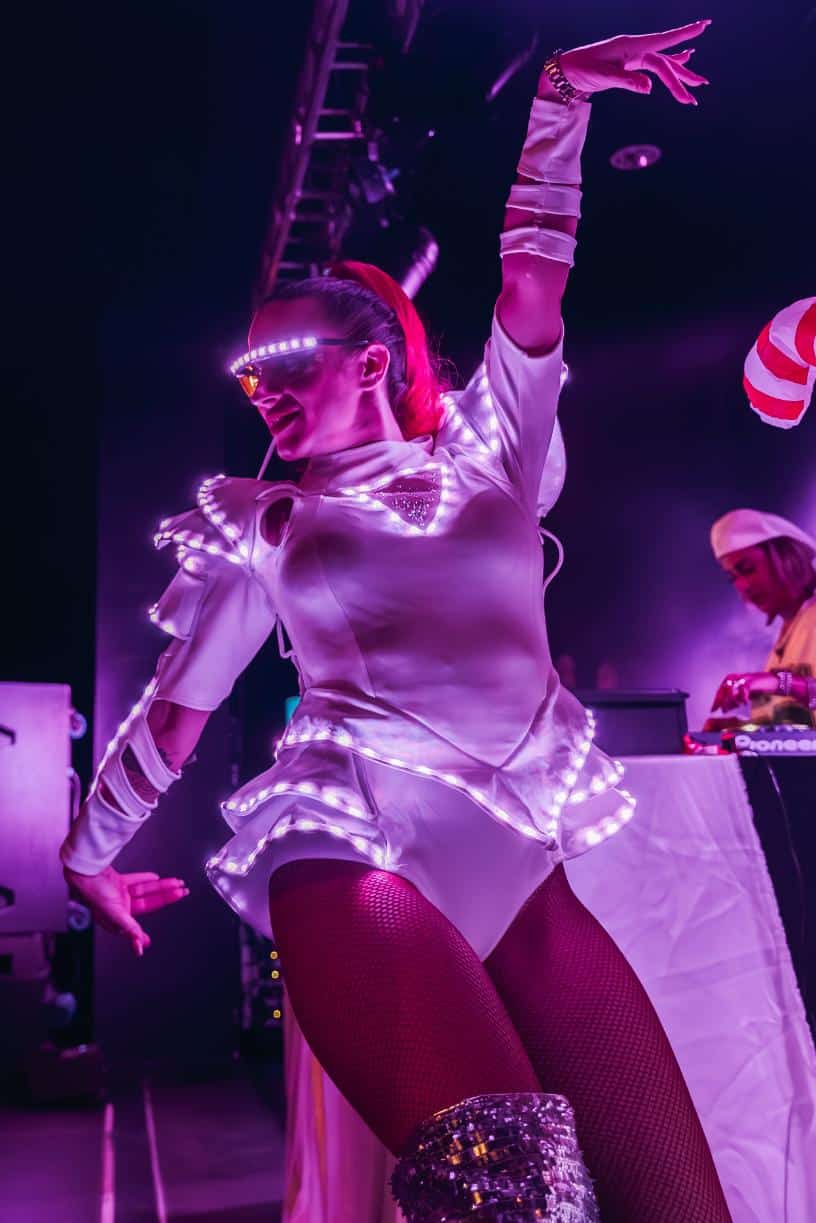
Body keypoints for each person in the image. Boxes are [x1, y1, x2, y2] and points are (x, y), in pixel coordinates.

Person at [60, 23, 730, 1221]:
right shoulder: (262, 521)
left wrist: (562, 96)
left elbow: (532, 282)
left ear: (373, 359)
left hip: (517, 863)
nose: (265, 387)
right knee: (516, 1200)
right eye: (251, 373)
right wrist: (87, 853)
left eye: (289, 359)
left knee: (681, 1201)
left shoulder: (491, 449)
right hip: (352, 848)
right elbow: (171, 716)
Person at [708, 508, 816, 728]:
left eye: (747, 569)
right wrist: (743, 729)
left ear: (786, 557)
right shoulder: (787, 635)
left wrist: (776, 682)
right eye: (733, 578)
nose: (742, 586)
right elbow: (796, 728)